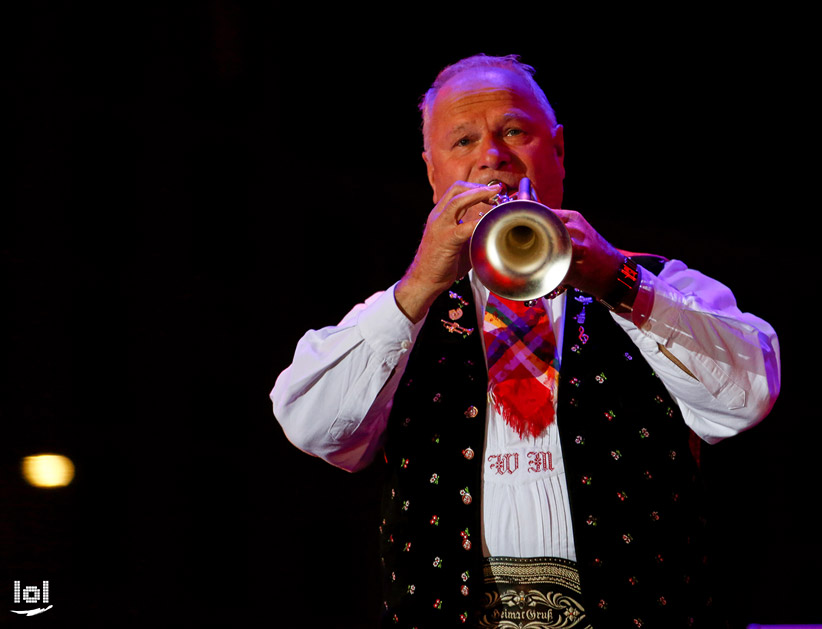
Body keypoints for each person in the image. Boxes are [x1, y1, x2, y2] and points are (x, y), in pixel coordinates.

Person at [270, 54, 780, 628]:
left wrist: (618, 281)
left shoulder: (658, 285)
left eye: (514, 131)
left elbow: (746, 397)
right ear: (432, 172)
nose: (492, 155)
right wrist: (418, 286)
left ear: (557, 150)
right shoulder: (403, 313)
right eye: (463, 140)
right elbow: (312, 428)